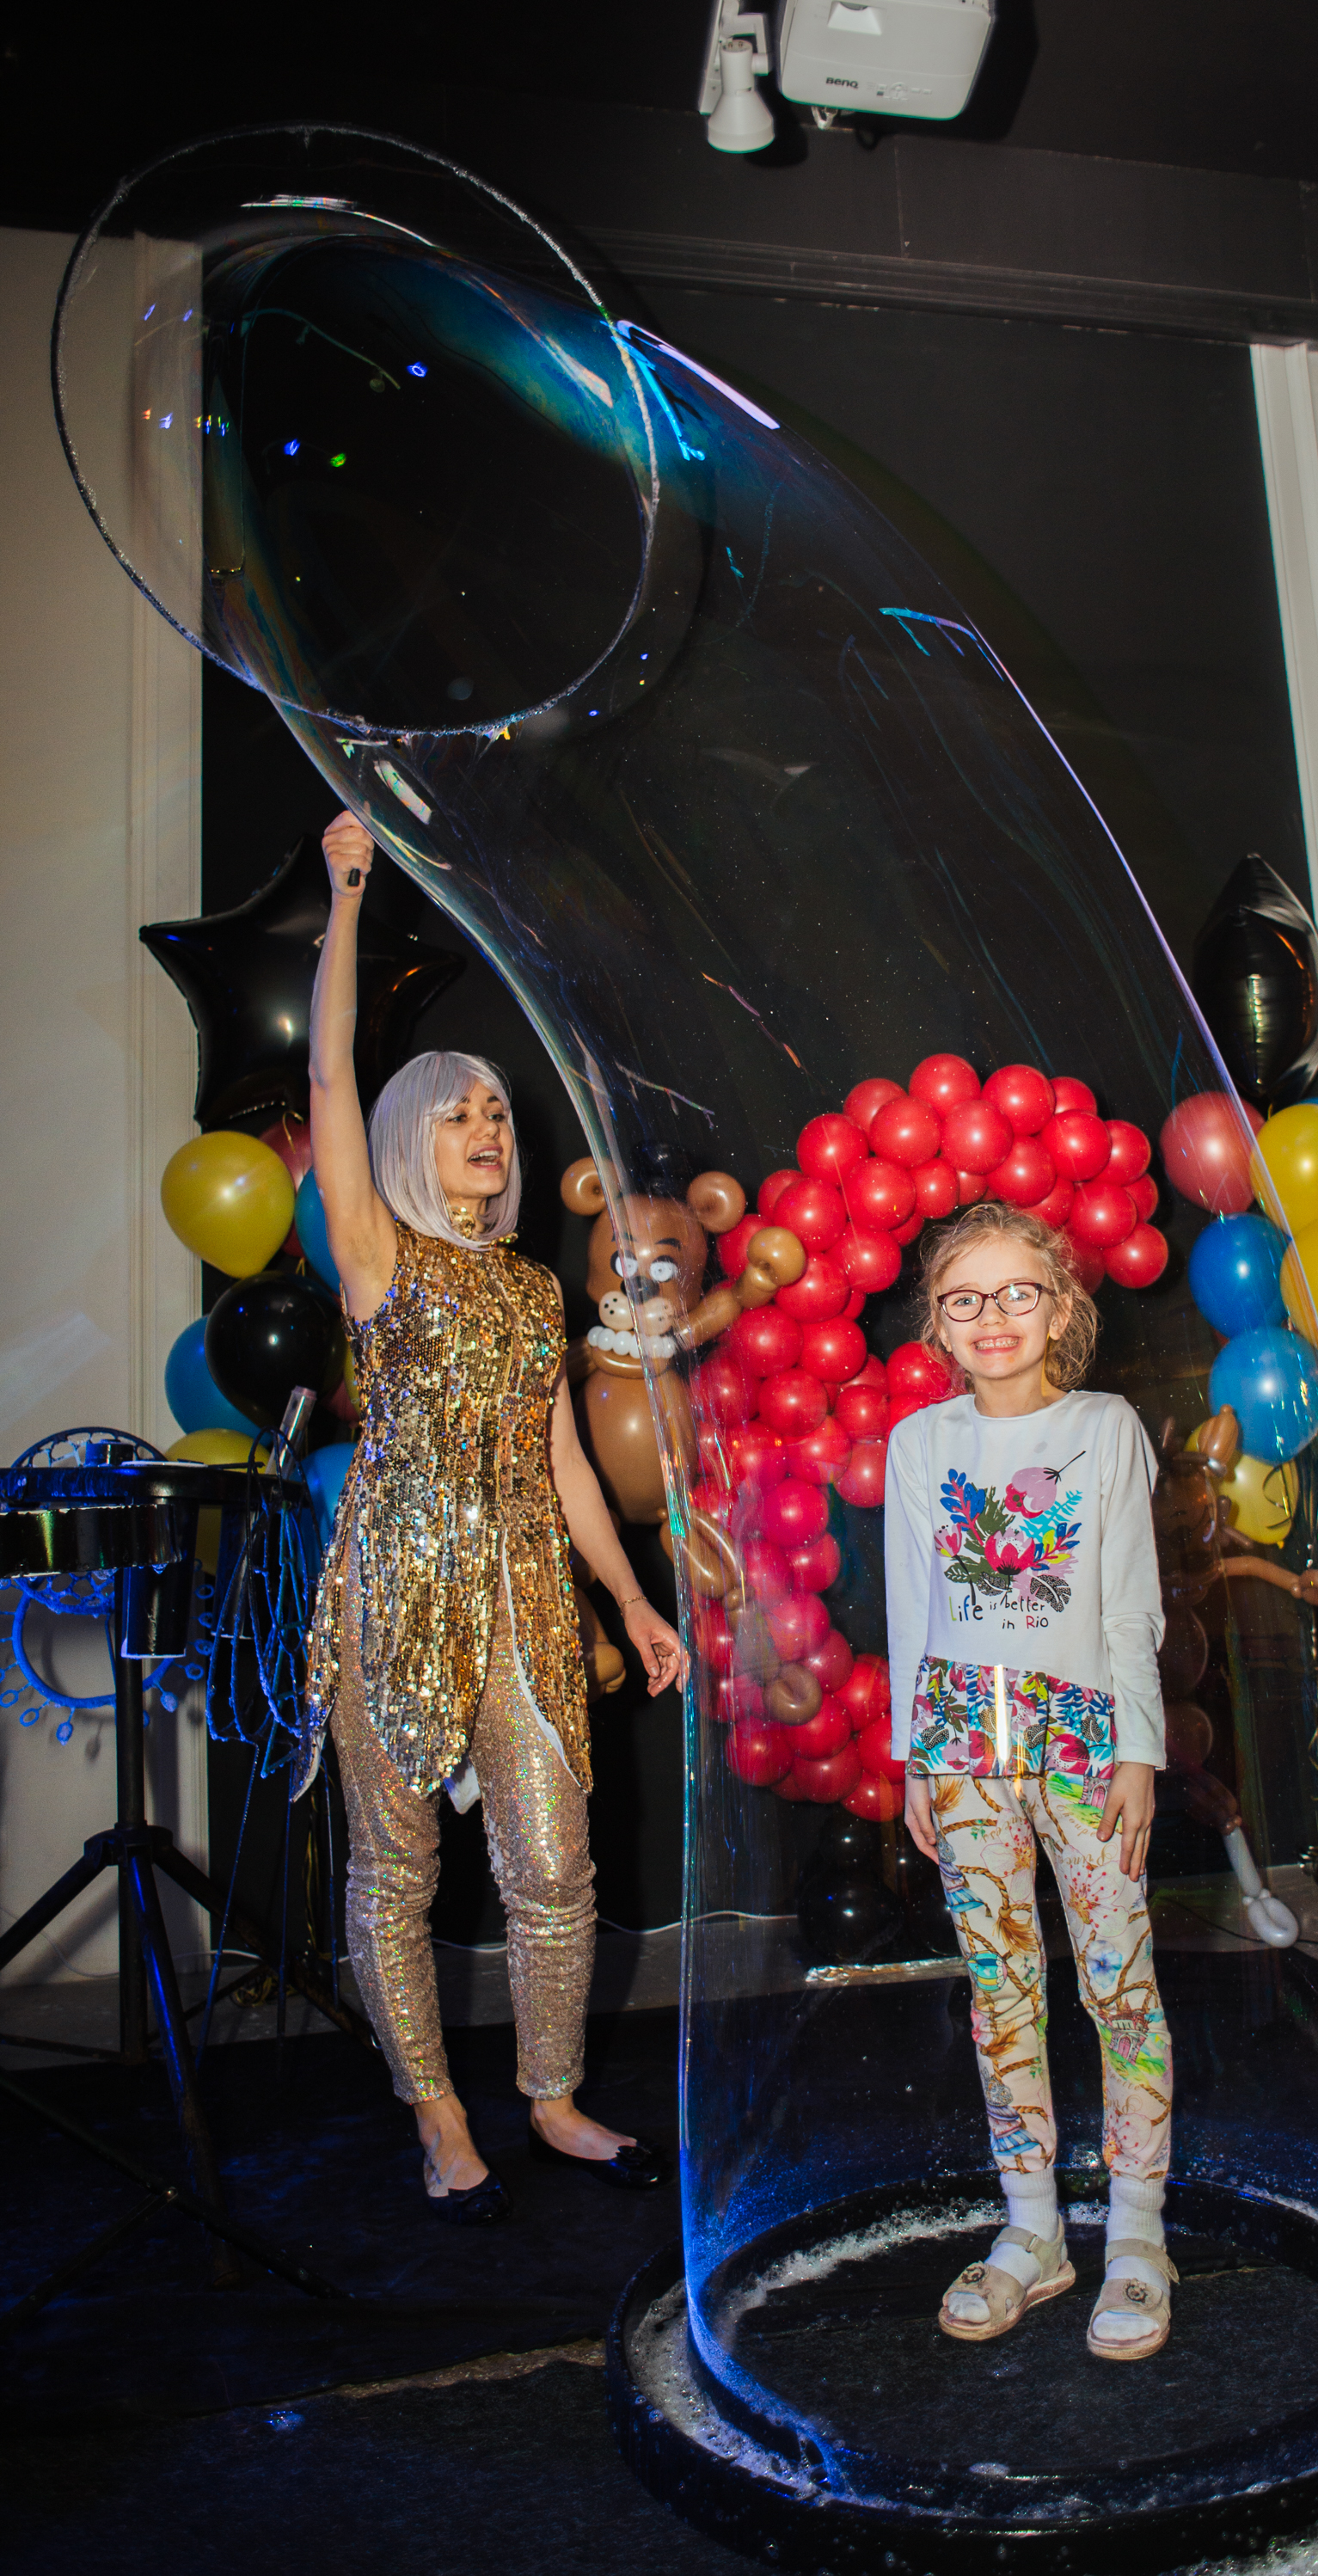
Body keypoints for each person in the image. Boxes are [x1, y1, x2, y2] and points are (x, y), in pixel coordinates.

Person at [302, 810, 687, 2221]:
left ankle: (554, 2097)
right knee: (396, 1870)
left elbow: (568, 1467)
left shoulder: (534, 1291)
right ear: (411, 1139)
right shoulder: (376, 1256)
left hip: (528, 1592)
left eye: (498, 1114)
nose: (486, 1129)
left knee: (554, 1864)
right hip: (396, 1587)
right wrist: (349, 895)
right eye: (458, 1112)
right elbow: (328, 1072)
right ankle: (437, 2114)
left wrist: (633, 1602)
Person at [886, 1200, 1174, 2359]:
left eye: (1016, 1293)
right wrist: (914, 1752)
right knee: (999, 1988)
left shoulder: (1105, 1428)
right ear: (937, 1323)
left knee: (1119, 1983)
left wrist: (1139, 1749)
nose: (992, 1317)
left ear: (1060, 1308)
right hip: (962, 1740)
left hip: (1084, 1740)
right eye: (964, 1299)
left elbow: (1131, 1603)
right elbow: (913, 1604)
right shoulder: (920, 1443)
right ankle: (1034, 2228)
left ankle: (1139, 2230)